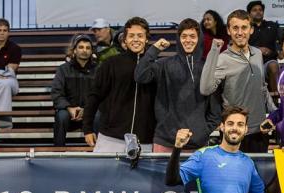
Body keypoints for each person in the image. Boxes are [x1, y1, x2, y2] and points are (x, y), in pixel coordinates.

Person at [134, 18, 219, 152]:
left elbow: (215, 107)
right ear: (179, 39)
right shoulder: (164, 64)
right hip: (165, 141)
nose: (188, 40)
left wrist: (203, 131)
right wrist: (154, 50)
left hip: (197, 144)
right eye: (183, 36)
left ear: (199, 39)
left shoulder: (207, 68)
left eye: (192, 36)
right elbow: (140, 76)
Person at [201, 9, 273, 153]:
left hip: (259, 131)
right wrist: (214, 51)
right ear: (228, 30)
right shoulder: (222, 59)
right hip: (234, 132)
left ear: (251, 30)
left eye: (244, 27)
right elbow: (205, 89)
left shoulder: (257, 53)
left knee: (256, 175)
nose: (240, 32)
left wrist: (274, 114)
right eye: (235, 28)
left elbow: (263, 88)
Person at [82, 17, 156, 153]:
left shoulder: (155, 66)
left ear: (146, 39)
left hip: (145, 140)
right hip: (110, 138)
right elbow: (94, 96)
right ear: (125, 40)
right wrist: (87, 128)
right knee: (102, 175)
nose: (136, 39)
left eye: (140, 36)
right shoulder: (110, 64)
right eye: (131, 36)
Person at [51, 34, 98, 147]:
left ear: (92, 51)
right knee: (61, 116)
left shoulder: (98, 70)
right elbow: (56, 93)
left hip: (90, 113)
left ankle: (99, 151)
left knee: (99, 115)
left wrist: (87, 109)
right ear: (74, 51)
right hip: (69, 113)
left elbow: (102, 95)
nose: (84, 50)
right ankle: (58, 151)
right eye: (81, 47)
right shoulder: (63, 69)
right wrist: (69, 108)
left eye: (88, 48)